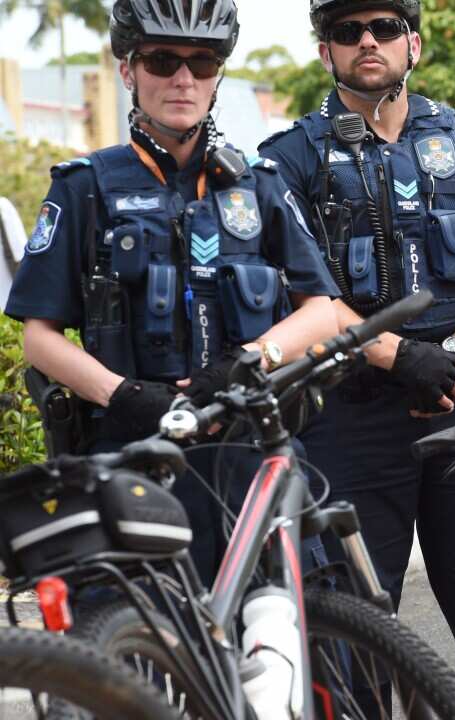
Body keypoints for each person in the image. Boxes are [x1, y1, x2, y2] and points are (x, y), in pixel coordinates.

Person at [3, 0, 339, 582]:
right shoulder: (83, 188)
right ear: (127, 70)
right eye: (162, 60)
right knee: (132, 648)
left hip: (249, 450)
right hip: (129, 456)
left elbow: (322, 313)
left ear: (218, 74)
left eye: (202, 62)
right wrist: (126, 394)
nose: (183, 78)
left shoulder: (258, 184)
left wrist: (247, 362)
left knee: (299, 643)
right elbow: (39, 337)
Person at [257, 0, 455, 663]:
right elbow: (302, 297)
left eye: (384, 27)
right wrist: (397, 356)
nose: (368, 40)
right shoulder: (286, 160)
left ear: (412, 44)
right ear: (324, 50)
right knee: (351, 636)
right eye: (347, 30)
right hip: (348, 411)